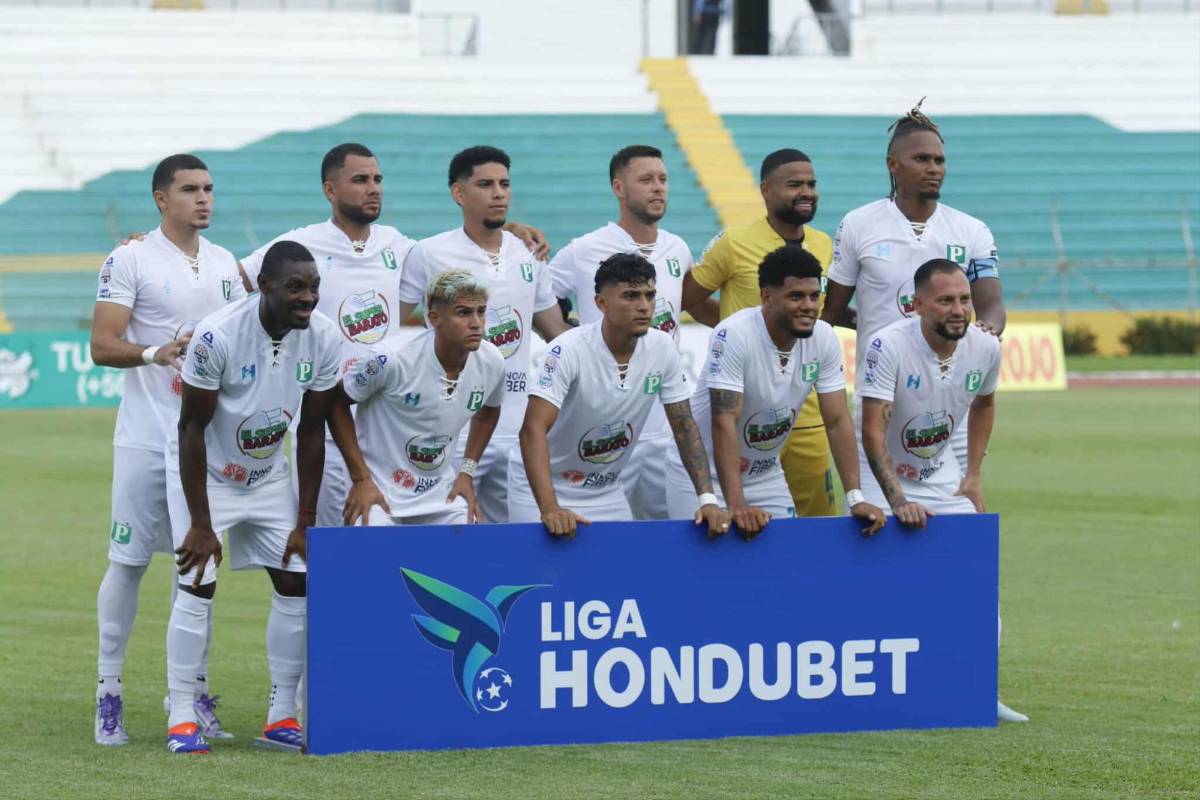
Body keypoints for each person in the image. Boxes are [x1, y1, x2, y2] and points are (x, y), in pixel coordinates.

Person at [237, 143, 550, 529]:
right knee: (326, 553)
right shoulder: (303, 244)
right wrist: (143, 247)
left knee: (398, 548)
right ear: (330, 191)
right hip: (327, 419)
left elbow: (470, 247)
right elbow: (232, 280)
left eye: (378, 180)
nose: (373, 188)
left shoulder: (402, 247)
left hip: (387, 427)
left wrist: (508, 229)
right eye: (360, 180)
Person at [165, 241, 383, 754]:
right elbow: (190, 429)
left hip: (267, 479)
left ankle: (282, 714)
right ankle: (180, 714)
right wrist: (201, 522)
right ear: (264, 287)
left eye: (313, 288)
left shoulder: (324, 337)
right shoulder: (218, 335)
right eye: (295, 288)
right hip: (208, 478)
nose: (308, 298)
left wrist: (305, 519)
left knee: (296, 581)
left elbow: (311, 432)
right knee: (197, 580)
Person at [89, 153, 246, 746]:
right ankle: (109, 694)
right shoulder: (129, 258)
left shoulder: (228, 263)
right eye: (189, 190)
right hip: (144, 436)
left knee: (201, 563)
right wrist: (157, 352)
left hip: (204, 445)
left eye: (208, 189)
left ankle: (192, 693)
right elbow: (103, 345)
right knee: (127, 563)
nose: (203, 199)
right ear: (162, 199)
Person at [857, 258, 1027, 723]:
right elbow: (873, 432)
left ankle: (978, 690)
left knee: (976, 577)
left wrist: (972, 475)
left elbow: (986, 404)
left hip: (940, 474)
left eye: (965, 299)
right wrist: (896, 500)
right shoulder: (886, 346)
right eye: (946, 300)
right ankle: (877, 693)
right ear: (916, 305)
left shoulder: (985, 348)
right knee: (884, 581)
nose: (959, 310)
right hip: (880, 472)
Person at [821, 100, 1007, 472]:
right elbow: (832, 310)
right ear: (893, 165)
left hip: (950, 400)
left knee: (956, 511)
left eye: (939, 160)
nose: (933, 169)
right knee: (879, 518)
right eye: (921, 159)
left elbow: (992, 307)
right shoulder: (858, 224)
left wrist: (986, 331)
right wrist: (875, 325)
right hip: (881, 396)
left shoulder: (972, 230)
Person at [397, 146, 572, 523]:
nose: (499, 193)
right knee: (454, 543)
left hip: (520, 428)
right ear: (459, 194)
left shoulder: (529, 254)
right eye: (486, 184)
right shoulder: (428, 253)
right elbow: (391, 327)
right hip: (454, 430)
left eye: (505, 184)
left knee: (526, 541)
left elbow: (555, 331)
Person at [665, 246, 885, 536]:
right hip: (703, 477)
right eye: (796, 296)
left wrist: (856, 497)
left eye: (813, 295)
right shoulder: (734, 334)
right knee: (706, 570)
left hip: (765, 475)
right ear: (766, 297)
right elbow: (724, 421)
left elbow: (837, 421)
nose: (809, 305)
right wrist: (736, 503)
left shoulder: (823, 337)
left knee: (782, 565)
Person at [549, 144, 714, 519]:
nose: (658, 188)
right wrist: (564, 340)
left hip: (662, 425)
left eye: (663, 179)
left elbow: (694, 306)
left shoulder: (678, 249)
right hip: (600, 426)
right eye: (646, 180)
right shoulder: (585, 250)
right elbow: (540, 298)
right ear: (618, 188)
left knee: (670, 535)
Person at [512, 253, 729, 537]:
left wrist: (708, 500)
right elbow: (532, 430)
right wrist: (550, 508)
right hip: (540, 490)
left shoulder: (663, 347)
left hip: (606, 491)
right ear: (601, 303)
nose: (644, 306)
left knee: (618, 579)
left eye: (650, 295)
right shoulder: (567, 350)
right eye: (630, 296)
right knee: (544, 581)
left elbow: (684, 426)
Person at [681, 148, 838, 518]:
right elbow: (688, 297)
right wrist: (730, 326)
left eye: (812, 184)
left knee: (818, 522)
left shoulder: (824, 244)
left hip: (806, 408)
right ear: (766, 190)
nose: (806, 192)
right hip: (745, 409)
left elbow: (819, 314)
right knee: (745, 521)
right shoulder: (734, 242)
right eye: (794, 184)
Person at [334, 270, 505, 526]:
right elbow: (335, 402)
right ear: (434, 318)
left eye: (481, 311)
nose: (477, 323)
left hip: (439, 493)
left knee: (470, 537)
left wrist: (467, 473)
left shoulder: (492, 361)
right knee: (373, 544)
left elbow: (489, 411)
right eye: (463, 313)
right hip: (379, 489)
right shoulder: (390, 358)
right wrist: (361, 480)